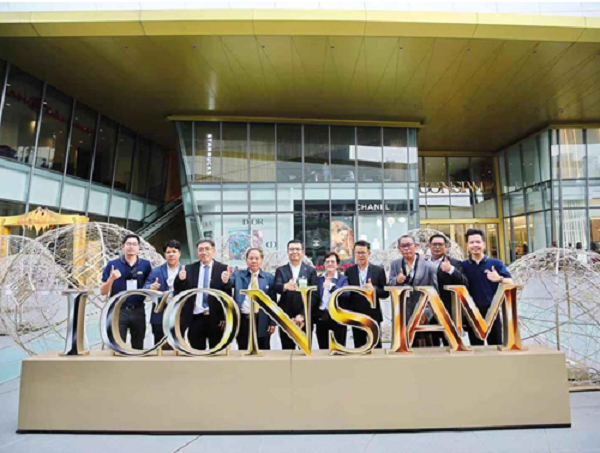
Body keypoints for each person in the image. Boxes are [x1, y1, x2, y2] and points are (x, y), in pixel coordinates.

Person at [174, 239, 233, 350]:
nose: (204, 252)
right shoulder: (189, 269)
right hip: (195, 317)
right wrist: (181, 279)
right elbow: (179, 290)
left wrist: (226, 282)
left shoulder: (222, 268)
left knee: (215, 351)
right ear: (197, 253)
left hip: (215, 318)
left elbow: (227, 294)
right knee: (196, 351)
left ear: (213, 251)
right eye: (201, 250)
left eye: (207, 249)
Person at [462, 228, 514, 346]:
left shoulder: (496, 263)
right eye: (471, 242)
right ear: (467, 245)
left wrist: (499, 278)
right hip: (471, 313)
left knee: (496, 346)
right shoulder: (463, 266)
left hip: (492, 311)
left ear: (484, 244)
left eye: (478, 242)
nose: (475, 245)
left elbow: (511, 282)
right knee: (476, 348)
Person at [100, 234, 152, 350]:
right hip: (118, 310)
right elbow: (103, 291)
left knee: (138, 347)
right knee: (118, 346)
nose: (131, 247)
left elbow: (149, 287)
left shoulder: (145, 265)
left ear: (139, 247)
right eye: (128, 244)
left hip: (138, 310)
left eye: (134, 244)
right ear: (123, 246)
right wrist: (111, 279)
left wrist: (153, 288)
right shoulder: (113, 265)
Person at [388, 234, 438, 347]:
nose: (406, 248)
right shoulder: (395, 264)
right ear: (399, 249)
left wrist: (427, 313)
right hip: (401, 314)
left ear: (416, 246)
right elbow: (389, 285)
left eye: (409, 245)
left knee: (423, 348)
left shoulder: (429, 267)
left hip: (421, 315)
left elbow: (435, 293)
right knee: (402, 347)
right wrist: (397, 280)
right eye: (403, 246)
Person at [274, 240, 319, 350]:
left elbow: (314, 295)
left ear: (302, 252)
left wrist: (303, 315)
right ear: (288, 252)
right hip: (286, 317)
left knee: (304, 350)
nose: (294, 252)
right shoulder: (280, 270)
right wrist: (285, 286)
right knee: (287, 350)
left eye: (297, 249)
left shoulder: (310, 271)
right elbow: (276, 286)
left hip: (305, 318)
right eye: (292, 249)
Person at [344, 240, 388, 348]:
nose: (360, 255)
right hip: (356, 315)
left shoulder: (378, 270)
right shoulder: (349, 271)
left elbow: (385, 293)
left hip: (373, 314)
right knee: (359, 346)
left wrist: (374, 290)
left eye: (363, 252)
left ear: (369, 253)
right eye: (358, 253)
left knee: (376, 345)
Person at [231, 248, 276, 350]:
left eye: (257, 258)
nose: (254, 261)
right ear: (246, 260)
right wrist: (225, 279)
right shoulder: (237, 275)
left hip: (262, 320)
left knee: (263, 349)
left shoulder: (269, 278)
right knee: (243, 348)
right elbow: (228, 283)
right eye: (251, 258)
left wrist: (272, 322)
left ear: (262, 260)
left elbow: (273, 302)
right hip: (243, 319)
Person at [428, 234, 468, 346]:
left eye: (440, 244)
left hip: (448, 311)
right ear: (429, 246)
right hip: (428, 311)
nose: (437, 247)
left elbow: (464, 283)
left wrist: (450, 270)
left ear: (446, 246)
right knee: (431, 346)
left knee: (450, 344)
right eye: (434, 244)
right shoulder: (423, 263)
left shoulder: (454, 263)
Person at [144, 239, 183, 345]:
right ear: (164, 254)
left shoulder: (186, 270)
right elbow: (145, 287)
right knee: (159, 345)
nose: (171, 254)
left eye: (174, 251)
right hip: (159, 315)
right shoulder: (156, 271)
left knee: (178, 345)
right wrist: (151, 287)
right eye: (168, 252)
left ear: (179, 253)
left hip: (179, 314)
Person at [315, 251, 349, 349]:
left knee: (339, 347)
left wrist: (331, 286)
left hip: (337, 315)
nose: (330, 264)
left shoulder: (343, 279)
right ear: (324, 264)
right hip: (322, 315)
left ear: (337, 264)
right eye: (327, 261)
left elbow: (346, 293)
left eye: (332, 262)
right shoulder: (319, 279)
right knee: (323, 347)